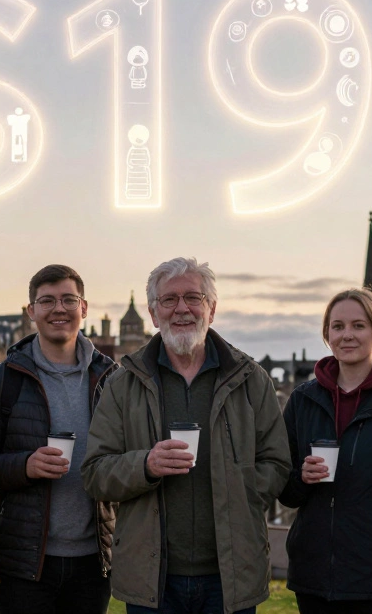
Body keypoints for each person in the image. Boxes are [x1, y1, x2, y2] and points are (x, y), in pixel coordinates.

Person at [82, 257, 290, 614]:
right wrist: (145, 465)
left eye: (193, 298)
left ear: (212, 308)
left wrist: (239, 486)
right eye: (169, 300)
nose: (182, 309)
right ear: (152, 312)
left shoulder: (251, 379)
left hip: (230, 575)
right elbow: (95, 473)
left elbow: (277, 464)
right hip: (152, 580)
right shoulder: (122, 383)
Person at [0, 265, 116, 614]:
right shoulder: (0, 381)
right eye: (47, 300)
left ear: (84, 308)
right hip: (23, 563)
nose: (59, 309)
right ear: (31, 311)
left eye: (69, 299)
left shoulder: (113, 379)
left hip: (94, 562)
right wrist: (26, 465)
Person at [278, 288, 372, 614]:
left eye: (359, 326)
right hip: (315, 575)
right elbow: (286, 491)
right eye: (338, 326)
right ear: (327, 334)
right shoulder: (303, 400)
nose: (347, 335)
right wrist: (302, 478)